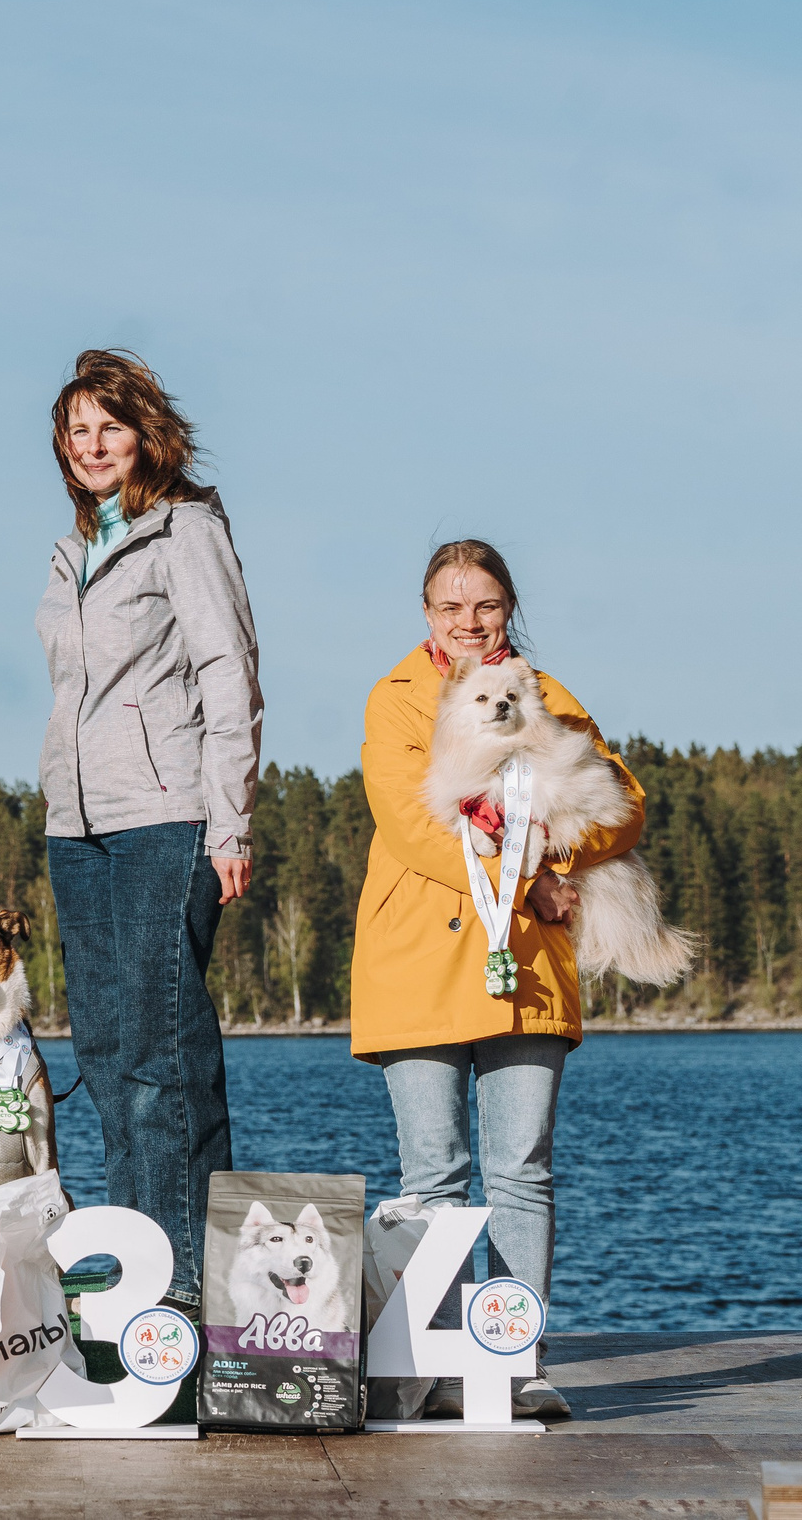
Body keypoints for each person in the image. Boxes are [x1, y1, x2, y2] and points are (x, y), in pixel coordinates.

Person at [352, 540, 637, 1422]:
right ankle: (434, 1368)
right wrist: (530, 878)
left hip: (525, 965)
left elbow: (621, 801)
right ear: (426, 612)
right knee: (432, 1174)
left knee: (522, 1173)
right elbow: (411, 828)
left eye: (485, 607)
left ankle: (517, 1360)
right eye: (449, 607)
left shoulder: (544, 696)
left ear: (508, 609)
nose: (468, 623)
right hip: (419, 961)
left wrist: (560, 854)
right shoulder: (396, 698)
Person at [34, 350, 260, 1314]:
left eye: (108, 428)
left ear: (145, 433)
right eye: (76, 431)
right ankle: (139, 1262)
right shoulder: (74, 545)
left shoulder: (186, 530)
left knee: (162, 1056)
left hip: (168, 818)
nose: (91, 446)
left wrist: (231, 822)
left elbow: (229, 673)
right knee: (106, 1050)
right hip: (75, 825)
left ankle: (183, 1288)